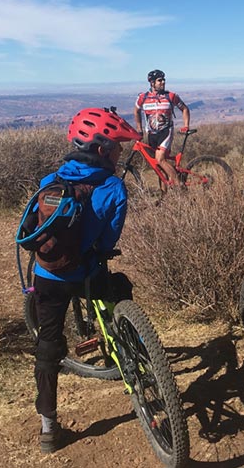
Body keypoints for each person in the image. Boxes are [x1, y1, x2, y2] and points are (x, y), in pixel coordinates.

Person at [31, 107, 140, 452]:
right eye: (117, 148)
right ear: (102, 150)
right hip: (86, 274)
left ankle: (48, 427)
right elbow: (107, 243)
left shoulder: (50, 182)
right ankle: (129, 359)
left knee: (48, 347)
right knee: (117, 292)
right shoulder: (113, 188)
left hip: (46, 275)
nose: (120, 153)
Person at [133, 69, 191, 188]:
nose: (163, 82)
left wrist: (186, 125)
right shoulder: (143, 98)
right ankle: (164, 192)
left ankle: (179, 186)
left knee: (160, 159)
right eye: (160, 80)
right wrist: (139, 128)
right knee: (158, 165)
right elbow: (136, 111)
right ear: (152, 83)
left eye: (164, 80)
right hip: (152, 134)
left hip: (166, 132)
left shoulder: (171, 96)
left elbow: (184, 109)